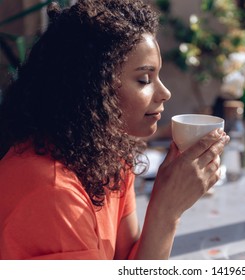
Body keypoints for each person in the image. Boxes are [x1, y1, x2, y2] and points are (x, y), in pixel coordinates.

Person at [0, 0, 229, 260]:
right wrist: (166, 210)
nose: (165, 93)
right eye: (144, 79)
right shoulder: (53, 194)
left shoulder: (109, 159)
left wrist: (169, 200)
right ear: (94, 88)